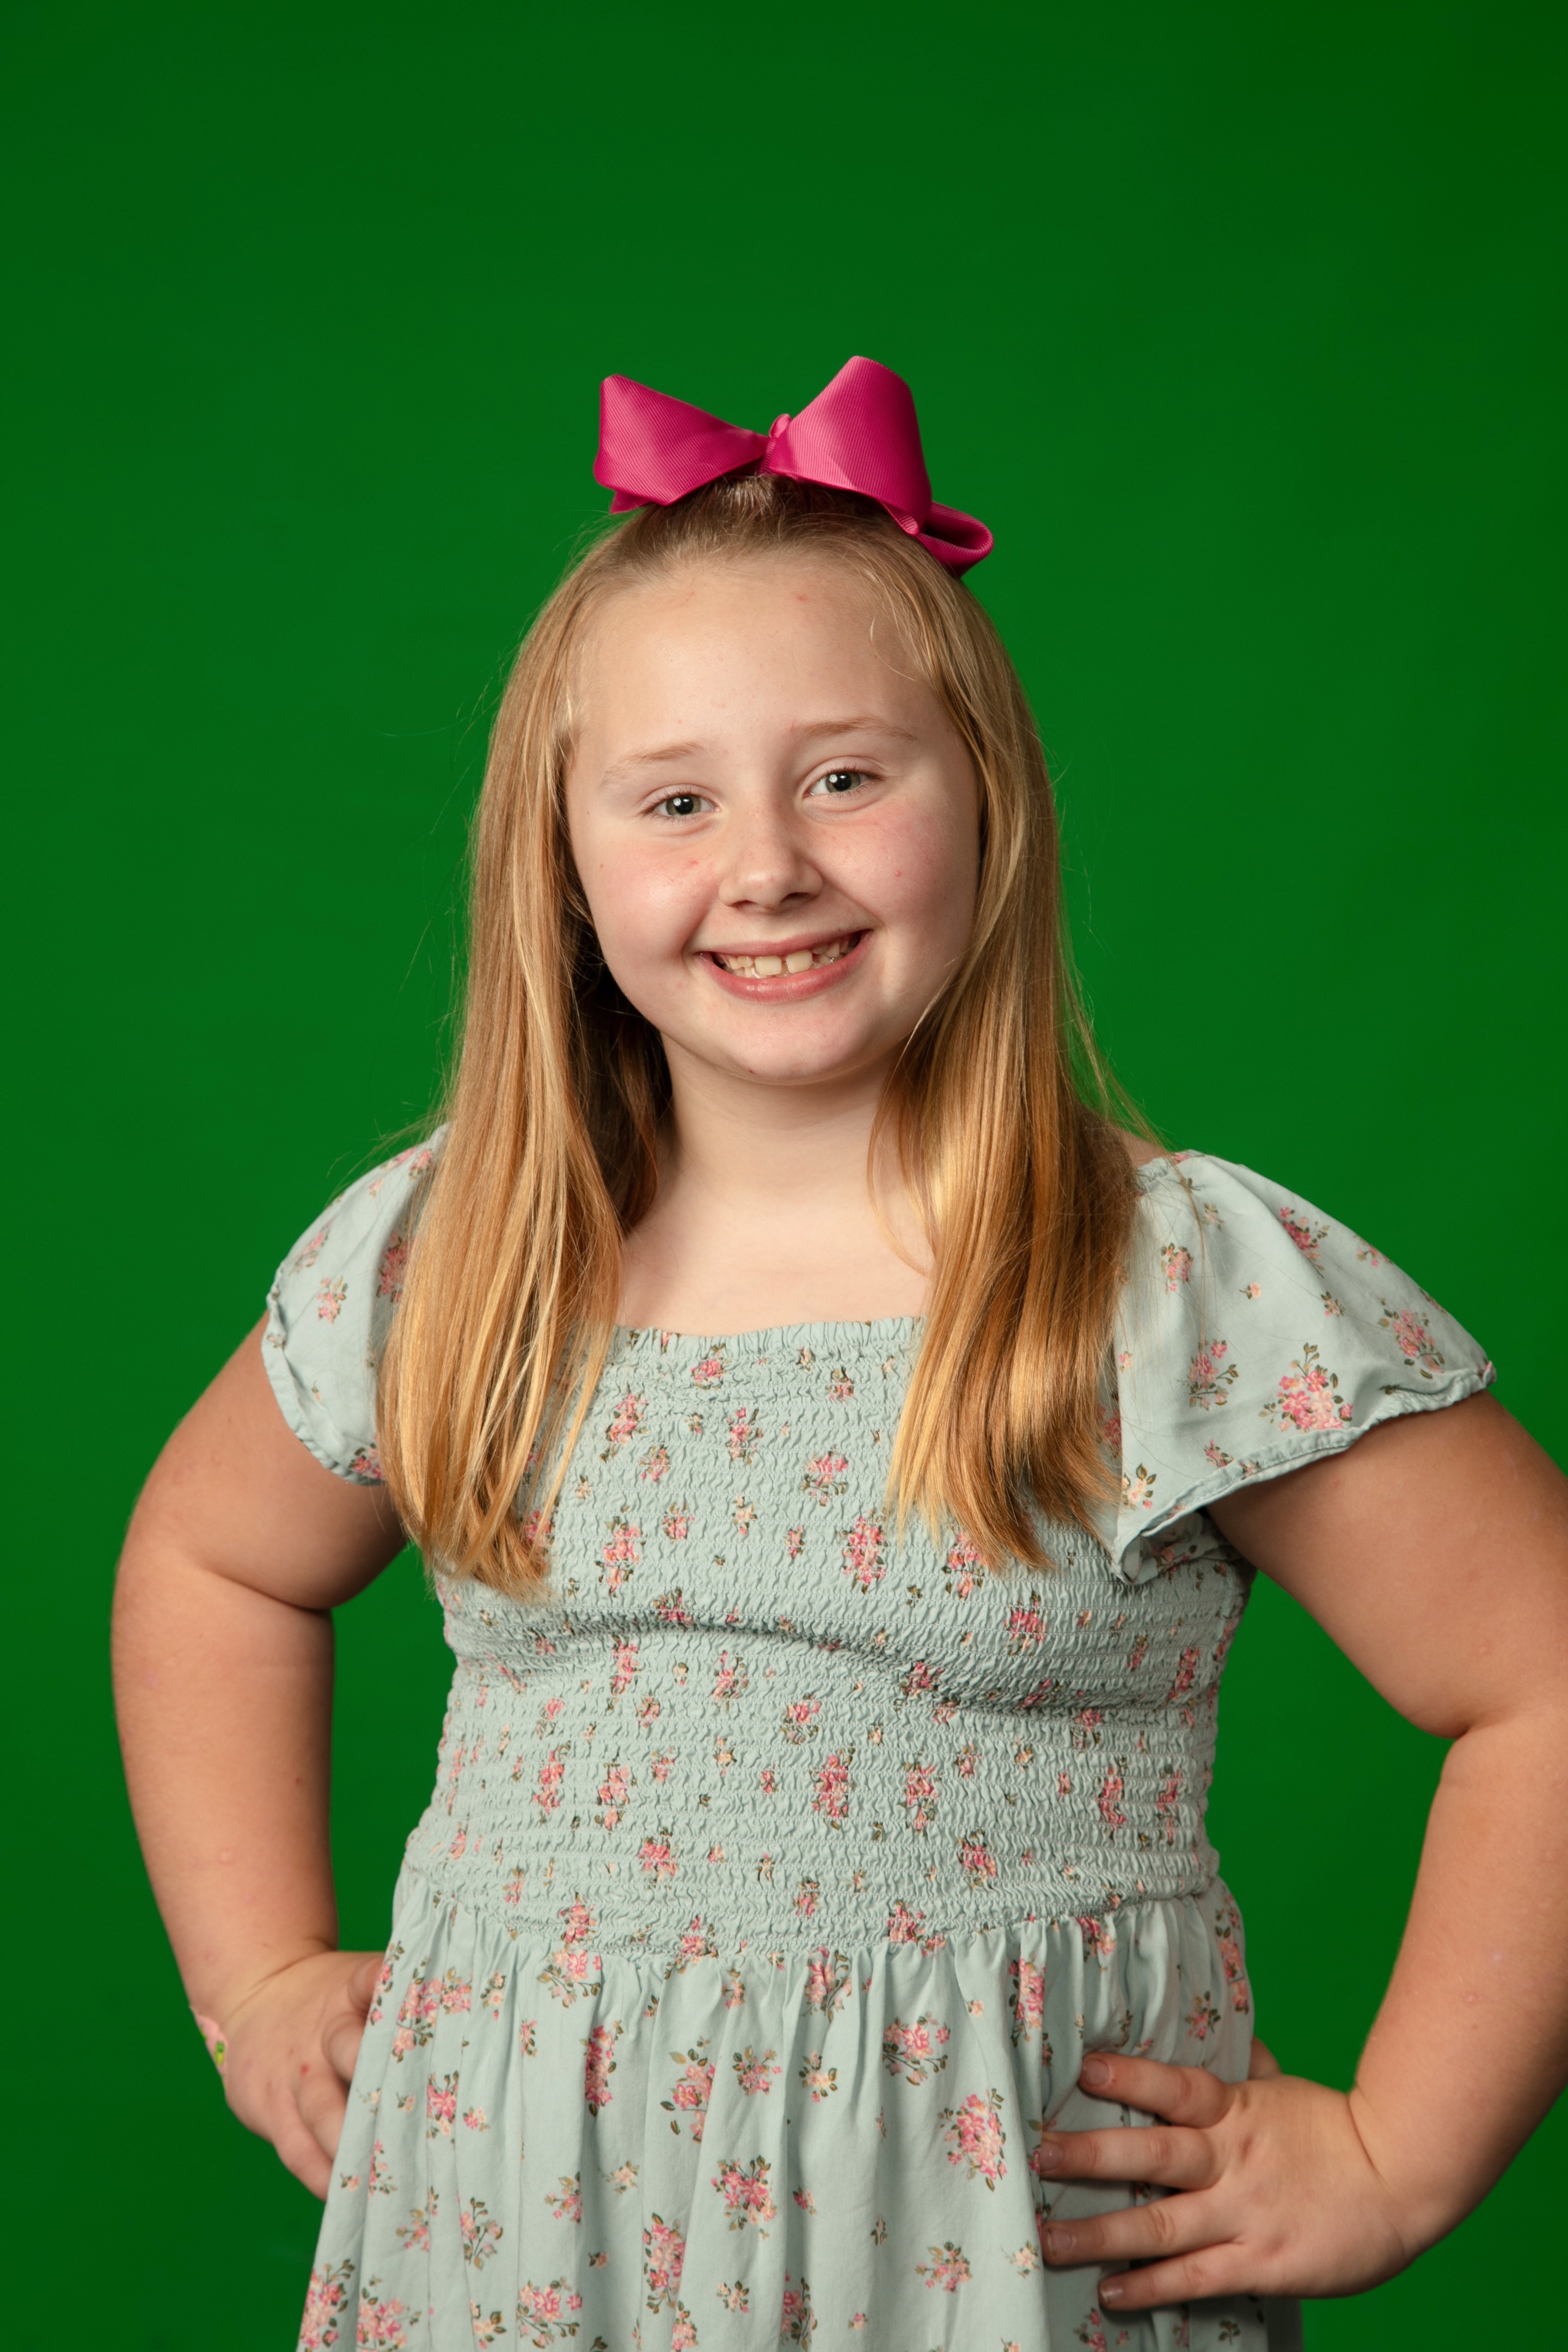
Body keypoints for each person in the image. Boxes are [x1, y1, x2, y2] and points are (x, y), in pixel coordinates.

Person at [113, 358, 1568, 2352]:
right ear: (562, 864)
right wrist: (262, 1976)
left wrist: (1401, 2154)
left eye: (848, 778)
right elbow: (211, 1563)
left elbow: (1539, 1670)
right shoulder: (456, 1258)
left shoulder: (1160, 1283)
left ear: (991, 802)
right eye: (676, 801)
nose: (768, 865)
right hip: (523, 2240)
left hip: (989, 2247)